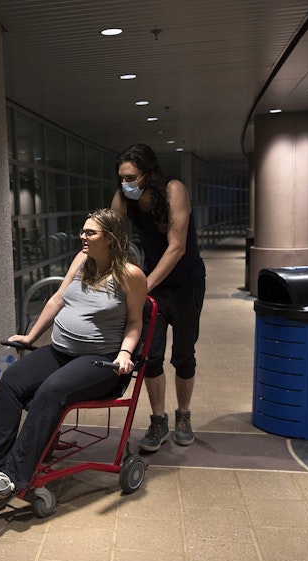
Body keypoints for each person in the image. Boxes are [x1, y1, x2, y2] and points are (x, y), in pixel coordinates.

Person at [0, 209, 148, 500]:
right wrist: (30, 336)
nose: (82, 236)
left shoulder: (130, 275)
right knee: (13, 380)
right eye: (82, 231)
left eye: (90, 232)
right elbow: (58, 299)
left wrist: (124, 353)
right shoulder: (82, 261)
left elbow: (135, 321)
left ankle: (14, 475)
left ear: (109, 238)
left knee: (51, 390)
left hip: (100, 361)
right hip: (60, 351)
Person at [111, 143, 206, 452]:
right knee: (150, 356)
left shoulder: (173, 190)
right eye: (122, 178)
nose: (126, 183)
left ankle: (183, 415)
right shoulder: (126, 195)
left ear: (148, 173)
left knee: (183, 354)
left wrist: (144, 286)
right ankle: (158, 419)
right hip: (155, 284)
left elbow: (177, 247)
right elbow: (111, 231)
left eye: (132, 177)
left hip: (186, 283)